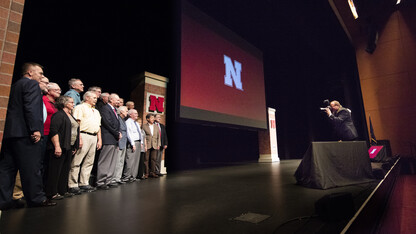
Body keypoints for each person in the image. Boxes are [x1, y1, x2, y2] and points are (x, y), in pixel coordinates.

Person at [0, 62, 56, 209]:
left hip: (11, 134)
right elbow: (30, 107)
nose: (42, 76)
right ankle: (36, 199)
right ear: (30, 73)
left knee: (7, 169)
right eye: (40, 73)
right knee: (31, 167)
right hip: (26, 134)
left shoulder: (14, 85)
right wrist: (35, 129)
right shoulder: (31, 85)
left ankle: (4, 201)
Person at [45, 96, 79, 200]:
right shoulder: (59, 115)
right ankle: (52, 192)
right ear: (65, 103)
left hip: (68, 146)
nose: (73, 104)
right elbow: (54, 130)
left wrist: (74, 145)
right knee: (55, 170)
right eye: (71, 102)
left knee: (64, 169)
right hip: (60, 146)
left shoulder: (70, 115)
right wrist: (57, 146)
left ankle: (62, 190)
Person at [68, 91, 102, 194]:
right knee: (77, 161)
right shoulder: (80, 107)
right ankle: (72, 184)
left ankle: (84, 182)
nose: (96, 99)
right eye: (94, 98)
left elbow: (98, 126)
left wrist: (99, 139)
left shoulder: (96, 111)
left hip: (93, 136)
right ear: (87, 98)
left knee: (89, 161)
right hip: (83, 134)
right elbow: (76, 124)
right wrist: (79, 138)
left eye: (96, 98)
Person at [96, 94, 121, 190]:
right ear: (111, 100)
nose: (118, 102)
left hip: (114, 139)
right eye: (117, 100)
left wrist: (117, 134)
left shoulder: (115, 110)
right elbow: (107, 122)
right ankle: (101, 182)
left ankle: (108, 180)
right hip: (108, 138)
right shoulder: (105, 108)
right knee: (105, 161)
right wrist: (117, 133)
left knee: (112, 161)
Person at [41, 82, 60, 183]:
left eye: (59, 90)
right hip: (43, 133)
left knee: (47, 162)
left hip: (52, 135)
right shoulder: (43, 100)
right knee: (39, 161)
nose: (59, 91)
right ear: (48, 91)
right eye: (56, 90)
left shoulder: (56, 103)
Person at [122, 109, 143, 182]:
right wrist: (132, 143)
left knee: (136, 160)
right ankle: (127, 176)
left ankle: (133, 176)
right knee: (130, 160)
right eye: (135, 113)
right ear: (130, 114)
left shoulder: (136, 123)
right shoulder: (128, 122)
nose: (137, 115)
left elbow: (139, 133)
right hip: (133, 142)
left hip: (138, 142)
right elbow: (129, 133)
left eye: (137, 113)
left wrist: (142, 142)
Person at [142, 113, 161, 178]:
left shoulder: (156, 126)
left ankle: (152, 172)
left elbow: (158, 136)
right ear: (147, 119)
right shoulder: (144, 126)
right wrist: (144, 145)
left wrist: (158, 144)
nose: (153, 119)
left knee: (153, 159)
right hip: (147, 145)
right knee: (146, 159)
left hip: (155, 145)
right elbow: (143, 136)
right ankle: (146, 173)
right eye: (152, 118)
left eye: (153, 118)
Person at [113, 106, 128, 184]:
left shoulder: (124, 120)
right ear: (121, 112)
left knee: (121, 161)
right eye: (126, 111)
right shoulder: (118, 119)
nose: (127, 112)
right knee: (117, 161)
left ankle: (118, 178)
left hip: (124, 142)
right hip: (119, 142)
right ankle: (114, 178)